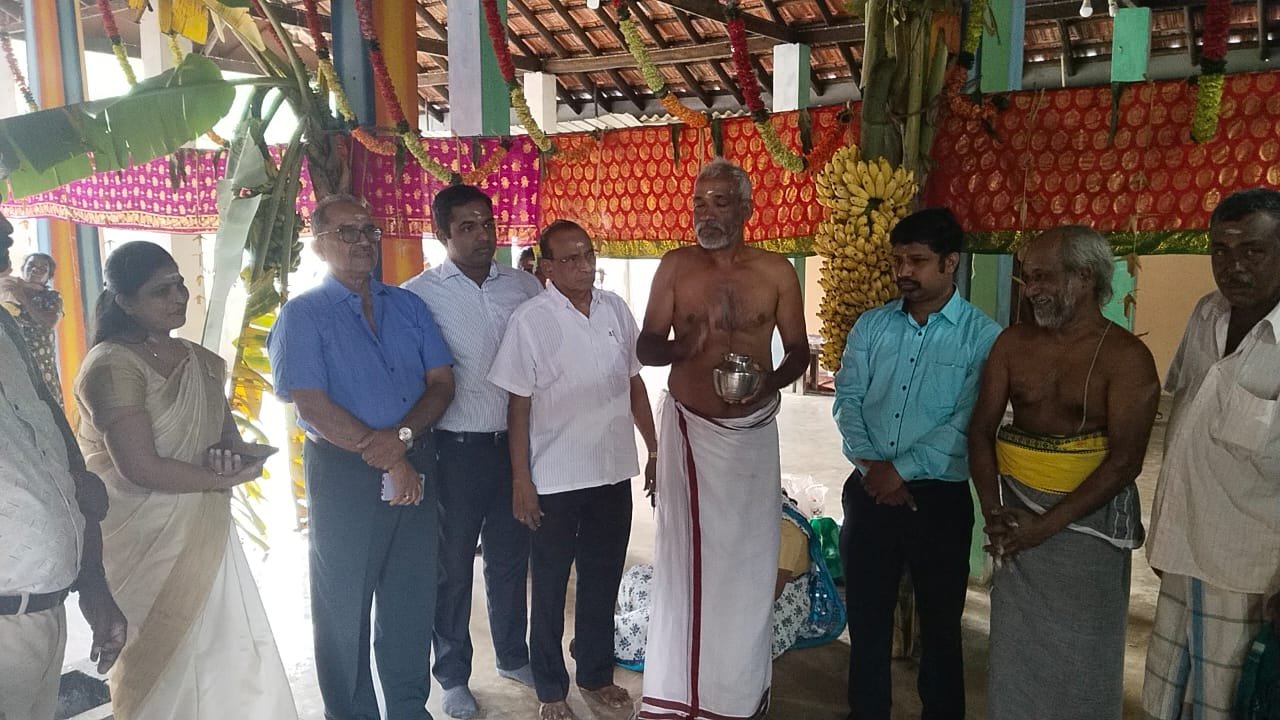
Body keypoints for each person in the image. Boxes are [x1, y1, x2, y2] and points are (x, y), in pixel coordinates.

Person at [73, 241, 295, 719]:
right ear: (124, 301)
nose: (178, 297)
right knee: (159, 661)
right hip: (142, 540)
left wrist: (237, 460)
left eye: (179, 285)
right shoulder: (111, 365)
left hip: (203, 534)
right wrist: (218, 479)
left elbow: (228, 441)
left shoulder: (200, 362)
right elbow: (140, 468)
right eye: (161, 291)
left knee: (218, 655)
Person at [268, 194, 455, 720]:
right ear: (318, 244)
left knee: (411, 597)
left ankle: (408, 709)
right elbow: (311, 404)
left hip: (415, 461)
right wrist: (390, 456)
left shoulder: (407, 306)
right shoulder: (303, 315)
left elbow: (442, 383)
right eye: (346, 232)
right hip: (344, 473)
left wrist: (402, 440)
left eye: (369, 230)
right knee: (343, 604)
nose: (362, 241)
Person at [636, 158, 809, 720]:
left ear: (746, 209)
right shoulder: (675, 268)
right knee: (685, 562)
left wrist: (768, 382)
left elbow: (799, 352)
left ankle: (733, 695)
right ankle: (678, 696)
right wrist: (681, 348)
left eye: (719, 202)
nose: (706, 214)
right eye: (698, 203)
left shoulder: (776, 272)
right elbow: (645, 347)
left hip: (752, 433)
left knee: (750, 560)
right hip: (690, 429)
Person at [968, 225, 1160, 720]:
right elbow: (980, 430)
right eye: (1028, 277)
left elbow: (1125, 462)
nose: (1031, 289)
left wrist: (1044, 527)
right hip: (1016, 519)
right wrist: (994, 511)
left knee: (1083, 657)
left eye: (1043, 277)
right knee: (1016, 656)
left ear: (1085, 277)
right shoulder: (1012, 344)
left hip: (1085, 531)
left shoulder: (1126, 357)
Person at [833, 207, 1000, 720]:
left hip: (938, 501)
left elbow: (969, 420)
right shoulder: (872, 326)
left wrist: (899, 470)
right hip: (869, 492)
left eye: (918, 261)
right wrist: (873, 469)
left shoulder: (982, 336)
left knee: (941, 627)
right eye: (898, 260)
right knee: (867, 622)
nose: (904, 271)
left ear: (951, 262)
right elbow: (847, 400)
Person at [488, 219, 656, 720]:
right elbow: (518, 407)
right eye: (570, 259)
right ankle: (550, 687)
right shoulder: (531, 320)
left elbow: (634, 383)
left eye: (588, 255)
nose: (584, 266)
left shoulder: (615, 309)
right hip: (555, 479)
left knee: (603, 579)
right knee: (549, 585)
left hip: (612, 472)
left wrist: (654, 448)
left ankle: (596, 675)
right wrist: (521, 480)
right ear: (547, 267)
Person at [402, 184, 543, 719]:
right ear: (442, 234)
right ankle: (453, 676)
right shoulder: (418, 295)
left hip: (515, 448)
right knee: (453, 567)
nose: (483, 235)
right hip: (454, 450)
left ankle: (512, 656)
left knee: (510, 559)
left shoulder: (525, 287)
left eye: (487, 224)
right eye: (467, 227)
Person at [1142, 188, 1280, 720]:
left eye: (1253, 251)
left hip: (1247, 573)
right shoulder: (1206, 315)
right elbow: (1183, 419)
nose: (1233, 266)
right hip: (1180, 553)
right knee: (1166, 699)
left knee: (1226, 706)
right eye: (1220, 250)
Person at [0, 212, 127, 720]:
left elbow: (56, 441)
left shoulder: (7, 327)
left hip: (44, 611)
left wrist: (91, 582)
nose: (8, 226)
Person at [614, 491, 847, 668]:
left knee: (677, 627)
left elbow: (768, 595)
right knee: (638, 577)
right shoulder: (744, 512)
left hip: (755, 611)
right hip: (725, 592)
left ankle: (615, 635)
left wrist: (711, 594)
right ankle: (634, 624)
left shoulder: (786, 530)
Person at [0, 253, 64, 405]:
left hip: (42, 367)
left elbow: (49, 322)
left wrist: (23, 298)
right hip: (14, 365)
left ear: (49, 275)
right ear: (23, 269)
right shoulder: (9, 291)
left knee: (48, 407)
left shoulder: (52, 297)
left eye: (43, 268)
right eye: (31, 266)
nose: (36, 270)